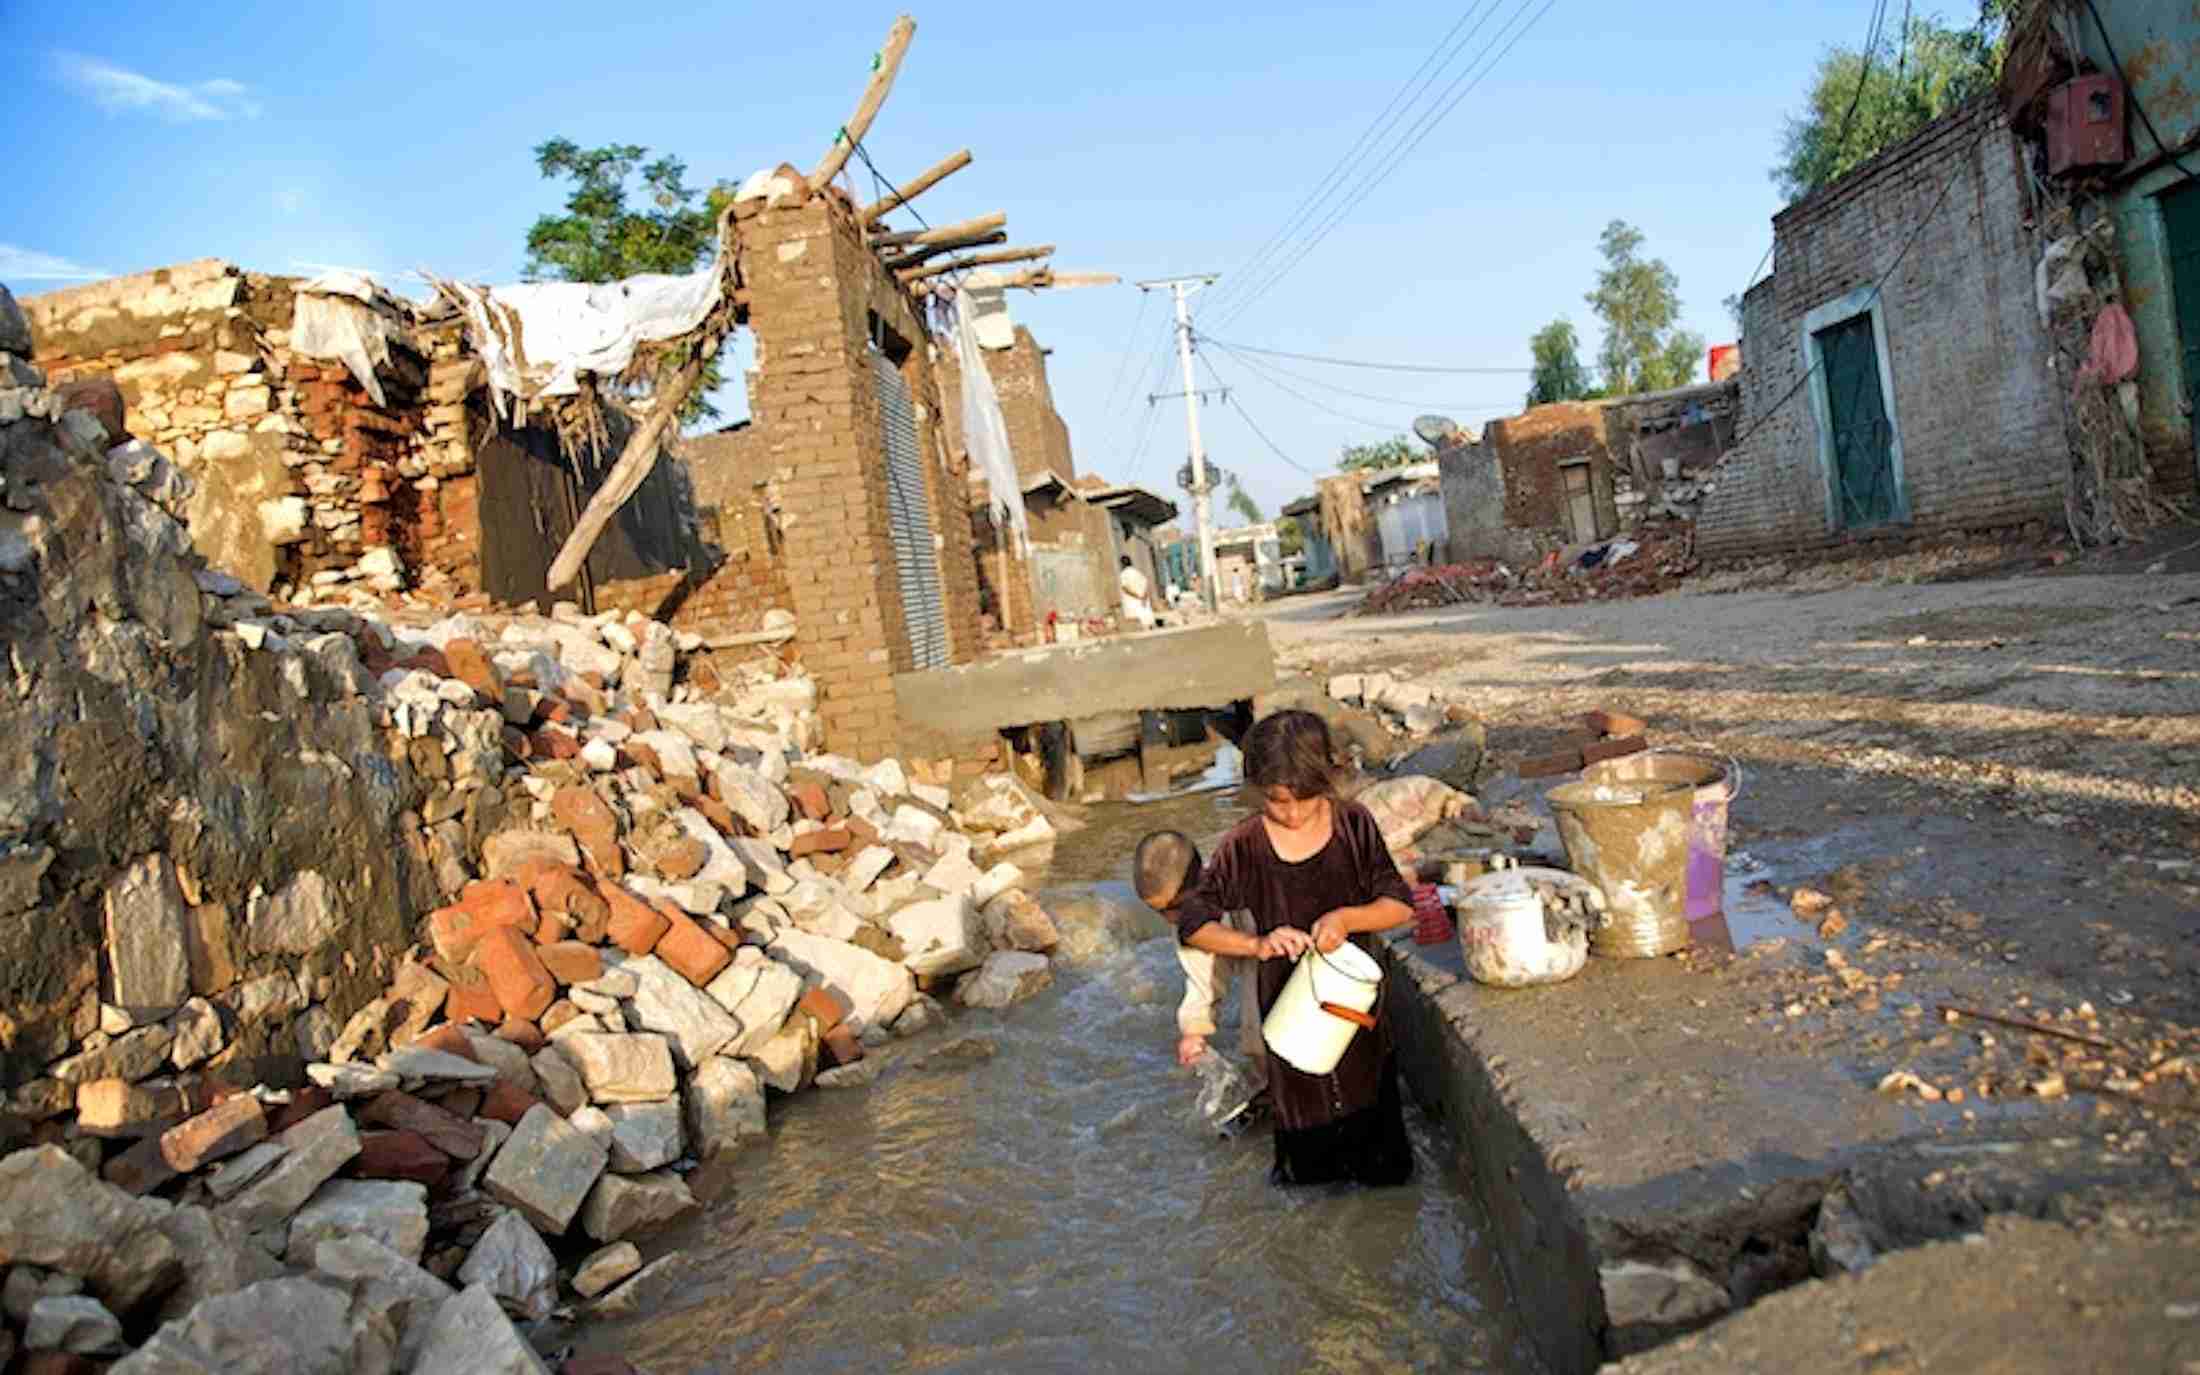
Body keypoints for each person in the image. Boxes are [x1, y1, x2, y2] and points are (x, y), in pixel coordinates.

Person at [1169, 709, 1417, 1187]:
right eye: (1278, 801)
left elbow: (1400, 905)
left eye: (1306, 798)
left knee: (1383, 1166)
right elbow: (1194, 925)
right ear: (1257, 789)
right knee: (1309, 1174)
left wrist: (1347, 918)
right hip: (1289, 1029)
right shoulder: (1245, 846)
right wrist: (1256, 944)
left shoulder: (1353, 825)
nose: (1294, 813)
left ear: (1328, 777)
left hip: (1356, 1022)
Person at [1131, 830, 1267, 1109]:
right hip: (1254, 951)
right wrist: (1194, 1029)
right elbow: (1202, 978)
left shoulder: (1240, 884)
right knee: (1255, 1039)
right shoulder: (1186, 924)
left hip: (1273, 941)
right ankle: (1268, 1083)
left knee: (1260, 1028)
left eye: (1176, 907)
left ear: (1203, 880)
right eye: (1159, 912)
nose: (1173, 918)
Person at [1118, 556, 1156, 630]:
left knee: (1139, 623)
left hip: (1134, 602)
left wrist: (1138, 597)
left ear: (1122, 564)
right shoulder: (1138, 572)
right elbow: (1146, 584)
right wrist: (1144, 596)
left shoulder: (1123, 574)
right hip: (1144, 600)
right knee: (1147, 621)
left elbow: (1125, 588)